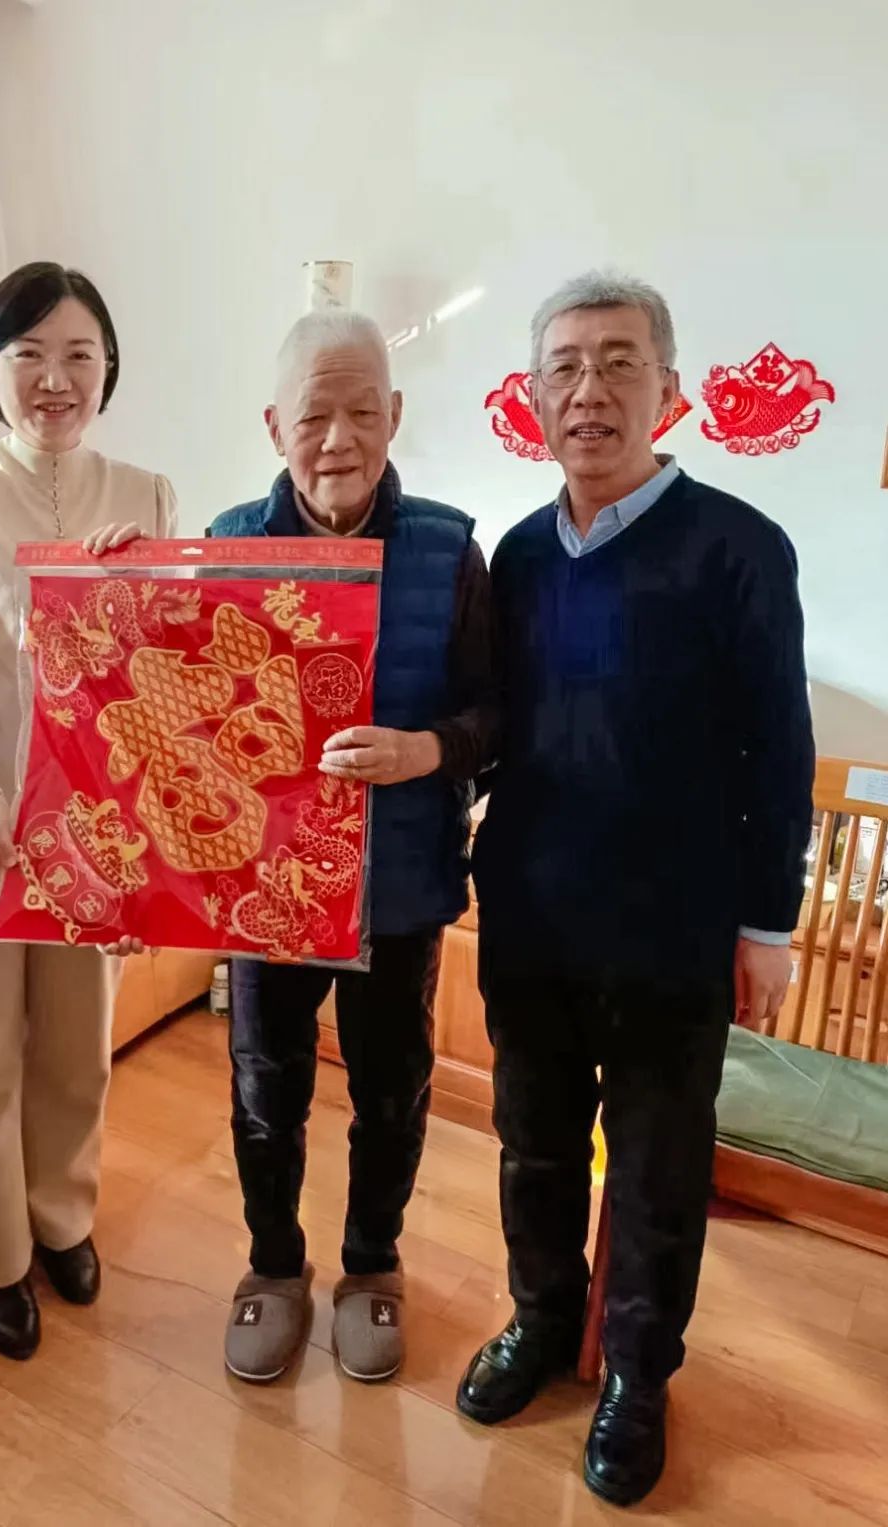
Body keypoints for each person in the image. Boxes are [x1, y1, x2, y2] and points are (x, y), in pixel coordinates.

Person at [455, 272, 814, 1506]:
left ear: (669, 388)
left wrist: (769, 923)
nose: (588, 391)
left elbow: (780, 749)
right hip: (532, 914)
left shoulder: (739, 549)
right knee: (533, 1144)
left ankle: (640, 1377)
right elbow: (491, 729)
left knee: (660, 1165)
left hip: (674, 926)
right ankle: (542, 1323)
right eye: (562, 367)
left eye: (618, 362)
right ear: (533, 395)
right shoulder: (516, 556)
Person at [0, 262, 176, 1360]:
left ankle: (60, 1218)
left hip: (91, 818)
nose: (56, 379)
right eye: (29, 356)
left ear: (107, 369)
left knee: (75, 1039)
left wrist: (141, 594)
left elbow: (169, 665)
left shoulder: (146, 494)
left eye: (79, 356)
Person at [208, 310, 492, 1385]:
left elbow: (498, 713)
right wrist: (118, 573)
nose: (338, 439)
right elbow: (171, 704)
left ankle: (373, 1266)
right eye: (314, 415)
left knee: (391, 1088)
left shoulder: (450, 550)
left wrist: (426, 750)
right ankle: (273, 1265)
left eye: (362, 411)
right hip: (267, 886)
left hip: (400, 883)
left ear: (396, 415)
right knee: (263, 1087)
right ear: (274, 424)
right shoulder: (228, 545)